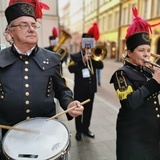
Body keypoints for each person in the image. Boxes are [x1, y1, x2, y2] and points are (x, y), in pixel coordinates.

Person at [0, 1, 84, 158]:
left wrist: (69, 103)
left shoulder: (52, 58)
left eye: (34, 24)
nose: (32, 29)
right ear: (10, 32)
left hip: (45, 135)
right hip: (10, 138)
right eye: (24, 25)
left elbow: (62, 90)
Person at [110, 8, 160, 160]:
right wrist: (154, 81)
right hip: (133, 137)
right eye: (141, 50)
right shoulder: (121, 73)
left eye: (148, 50)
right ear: (130, 53)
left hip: (151, 133)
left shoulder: (147, 71)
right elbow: (129, 102)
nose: (146, 54)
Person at [68, 23, 104, 141]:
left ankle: (85, 129)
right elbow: (70, 69)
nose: (87, 45)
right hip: (79, 89)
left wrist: (92, 56)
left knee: (88, 111)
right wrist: (82, 61)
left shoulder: (94, 56)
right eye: (85, 43)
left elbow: (101, 65)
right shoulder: (75, 56)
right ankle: (78, 131)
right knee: (78, 111)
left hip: (90, 89)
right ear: (81, 44)